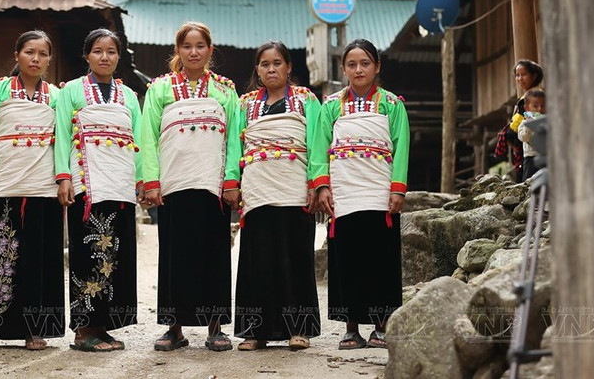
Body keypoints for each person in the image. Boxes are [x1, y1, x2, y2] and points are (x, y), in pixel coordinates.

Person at [140, 21, 241, 352]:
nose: (193, 52)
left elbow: (234, 139)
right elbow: (148, 137)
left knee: (214, 254)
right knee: (174, 256)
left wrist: (231, 180)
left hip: (212, 185)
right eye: (187, 46)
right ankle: (174, 328)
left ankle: (215, 327)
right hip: (173, 184)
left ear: (210, 50)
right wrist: (151, 180)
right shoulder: (160, 89)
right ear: (178, 51)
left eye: (200, 46)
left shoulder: (226, 91)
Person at [310, 39, 410, 350]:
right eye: (351, 64)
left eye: (365, 63)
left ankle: (381, 325)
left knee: (381, 256)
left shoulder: (392, 105)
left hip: (379, 191)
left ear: (377, 66)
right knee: (346, 258)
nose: (358, 69)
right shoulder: (330, 107)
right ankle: (351, 327)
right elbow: (318, 148)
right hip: (344, 192)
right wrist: (322, 185)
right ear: (343, 69)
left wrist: (397, 188)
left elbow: (401, 145)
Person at [0, 30, 64, 351]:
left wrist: (65, 179)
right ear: (17, 55)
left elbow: (64, 141)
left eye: (42, 54)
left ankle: (35, 329)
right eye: (29, 52)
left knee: (38, 259)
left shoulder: (57, 97)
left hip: (44, 187)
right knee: (1, 256)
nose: (35, 59)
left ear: (49, 59)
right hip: (6, 184)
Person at [54, 28, 143, 352]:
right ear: (87, 55)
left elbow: (140, 141)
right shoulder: (72, 91)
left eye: (111, 52)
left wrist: (143, 180)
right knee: (87, 254)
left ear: (118, 57)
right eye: (98, 51)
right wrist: (64, 177)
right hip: (86, 186)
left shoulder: (129, 96)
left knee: (116, 256)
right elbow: (63, 135)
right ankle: (84, 331)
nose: (104, 57)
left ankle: (103, 327)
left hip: (120, 184)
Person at [232, 41, 322, 351]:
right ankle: (254, 331)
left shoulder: (307, 101)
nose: (271, 69)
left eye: (277, 63)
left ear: (289, 67)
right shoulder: (244, 105)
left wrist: (317, 184)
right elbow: (235, 148)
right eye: (265, 64)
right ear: (257, 69)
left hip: (294, 187)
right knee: (258, 259)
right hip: (257, 189)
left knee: (294, 256)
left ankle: (300, 330)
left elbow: (317, 143)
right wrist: (233, 180)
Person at [495, 59, 544, 182]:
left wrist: (510, 131)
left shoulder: (534, 97)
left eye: (524, 74)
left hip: (534, 149)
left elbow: (524, 122)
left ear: (534, 76)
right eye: (517, 75)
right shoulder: (527, 97)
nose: (520, 79)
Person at [517, 89, 546, 181]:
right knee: (529, 183)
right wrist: (529, 125)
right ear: (527, 108)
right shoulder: (524, 123)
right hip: (531, 158)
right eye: (535, 106)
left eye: (543, 106)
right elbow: (523, 137)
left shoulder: (547, 121)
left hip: (546, 156)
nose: (540, 109)